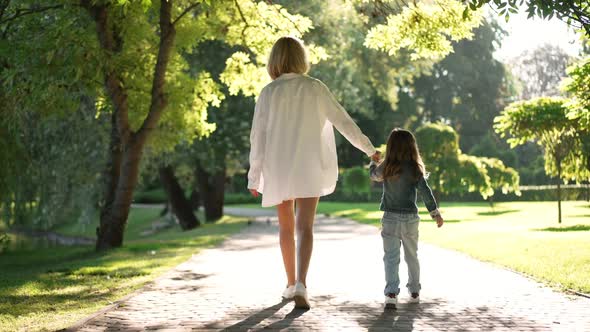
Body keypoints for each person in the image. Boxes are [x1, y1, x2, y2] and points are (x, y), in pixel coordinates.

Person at [247, 36, 380, 309]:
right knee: (305, 226)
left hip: (278, 166)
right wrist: (369, 149)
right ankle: (302, 286)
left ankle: (289, 283)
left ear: (274, 61)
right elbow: (343, 120)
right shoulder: (315, 88)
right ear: (301, 58)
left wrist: (254, 175)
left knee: (285, 228)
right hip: (308, 165)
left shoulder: (268, 93)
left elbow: (257, 137)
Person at [369, 128, 444, 308]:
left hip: (390, 219)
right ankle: (415, 290)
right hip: (410, 219)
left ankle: (391, 294)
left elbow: (374, 176)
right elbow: (425, 192)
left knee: (391, 258)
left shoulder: (386, 166)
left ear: (391, 146)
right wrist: (435, 213)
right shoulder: (415, 168)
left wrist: (373, 163)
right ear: (412, 147)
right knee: (412, 256)